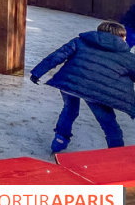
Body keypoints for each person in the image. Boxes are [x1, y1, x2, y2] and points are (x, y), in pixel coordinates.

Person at [31, 21, 135, 153]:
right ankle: (116, 153)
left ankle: (60, 138)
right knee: (108, 123)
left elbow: (57, 56)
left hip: (70, 82)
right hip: (98, 91)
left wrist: (37, 72)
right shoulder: (127, 56)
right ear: (122, 38)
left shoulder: (80, 41)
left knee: (70, 109)